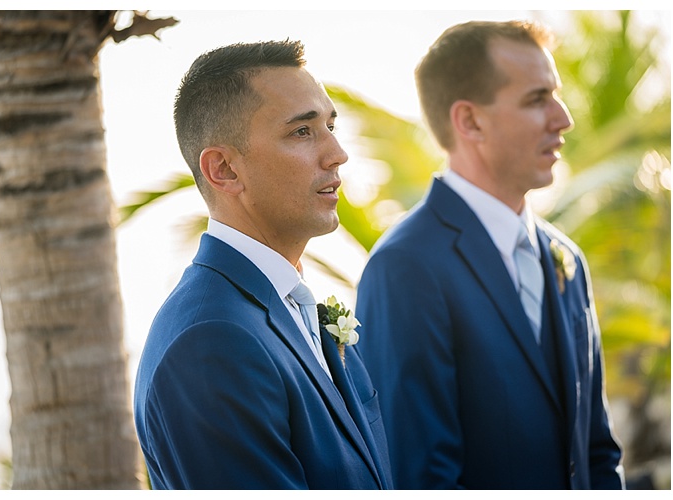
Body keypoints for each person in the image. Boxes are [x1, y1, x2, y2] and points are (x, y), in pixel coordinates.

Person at [355, 20, 622, 489]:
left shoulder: (567, 260)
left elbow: (597, 451)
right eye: (537, 99)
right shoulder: (405, 267)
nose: (563, 119)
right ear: (470, 121)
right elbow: (422, 478)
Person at [134, 40, 389, 489]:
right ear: (224, 170)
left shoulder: (292, 307)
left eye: (331, 125)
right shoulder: (210, 341)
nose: (337, 153)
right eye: (302, 132)